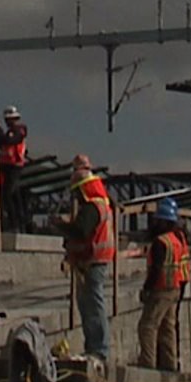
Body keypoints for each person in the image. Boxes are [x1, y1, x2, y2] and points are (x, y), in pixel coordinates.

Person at [59, 155, 115, 368]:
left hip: (93, 262)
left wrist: (61, 226)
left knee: (93, 304)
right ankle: (94, 347)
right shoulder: (100, 203)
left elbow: (81, 230)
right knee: (87, 305)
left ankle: (98, 349)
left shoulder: (92, 207)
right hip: (90, 261)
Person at [137, 198, 191, 372]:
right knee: (168, 328)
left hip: (160, 290)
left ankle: (147, 366)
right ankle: (170, 366)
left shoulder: (160, 242)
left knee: (147, 326)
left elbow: (156, 269)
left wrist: (146, 289)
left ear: (162, 220)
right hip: (175, 288)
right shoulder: (177, 240)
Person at [0, 107, 29, 231]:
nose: (9, 122)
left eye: (11, 119)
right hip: (5, 166)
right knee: (10, 194)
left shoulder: (19, 131)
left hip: (15, 166)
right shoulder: (8, 133)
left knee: (8, 194)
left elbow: (9, 140)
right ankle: (15, 221)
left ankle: (15, 222)